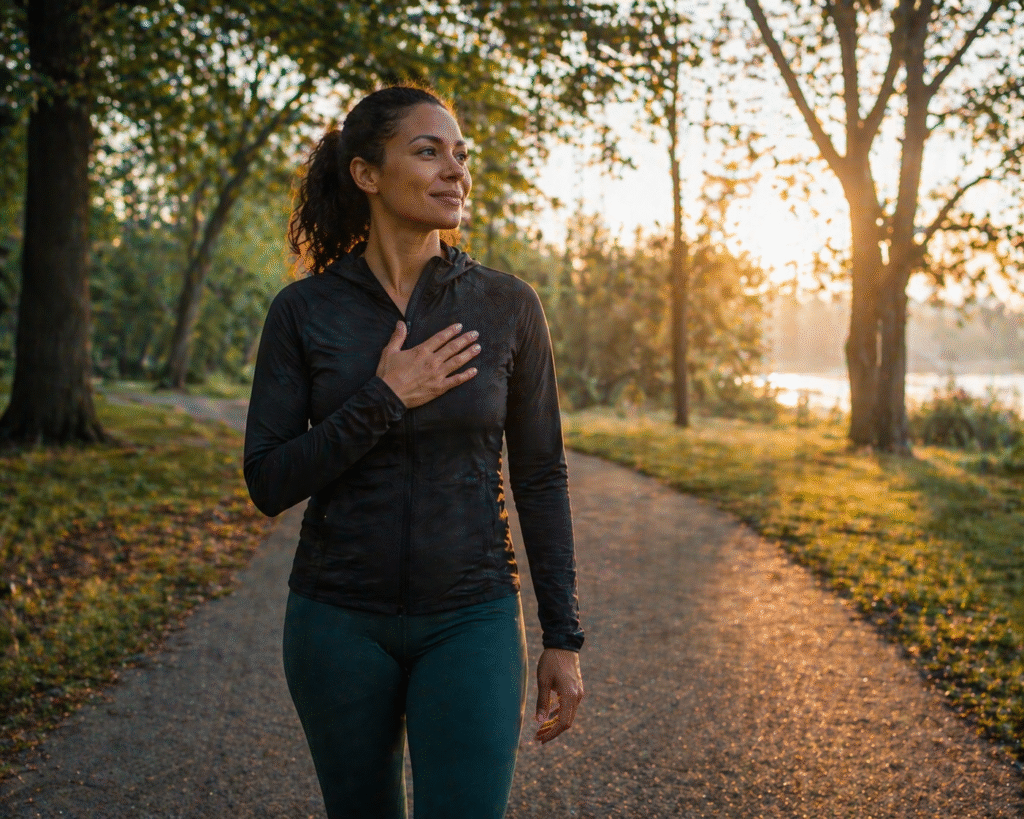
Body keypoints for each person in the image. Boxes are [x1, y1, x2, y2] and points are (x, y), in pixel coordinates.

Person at [243, 85, 584, 819]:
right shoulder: (304, 312)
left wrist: (563, 634)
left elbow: (541, 474)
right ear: (367, 174)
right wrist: (384, 397)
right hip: (336, 622)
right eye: (428, 151)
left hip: (472, 616)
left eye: (460, 154)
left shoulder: (506, 304)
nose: (454, 169)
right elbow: (267, 479)